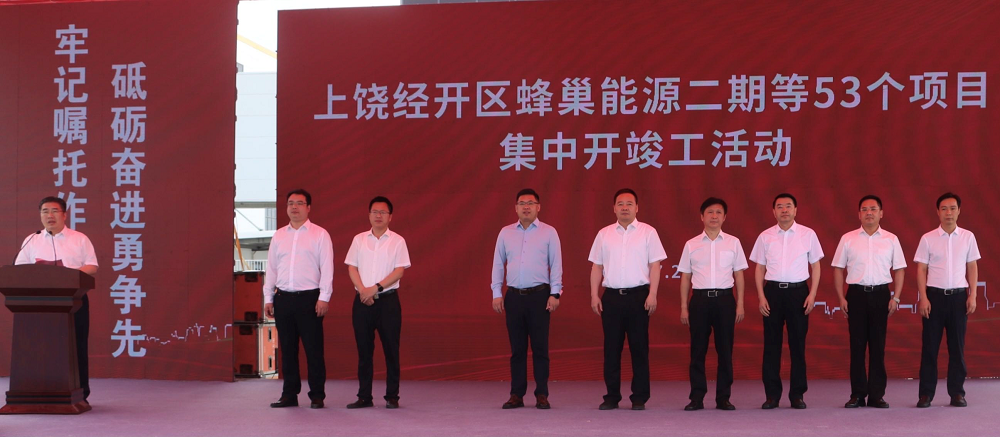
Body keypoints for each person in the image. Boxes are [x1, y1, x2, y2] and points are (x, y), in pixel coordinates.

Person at [589, 188, 666, 411]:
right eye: (620, 204)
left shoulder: (648, 232)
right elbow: (596, 266)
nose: (625, 207)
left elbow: (655, 265)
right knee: (611, 349)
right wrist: (594, 295)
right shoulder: (604, 234)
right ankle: (611, 396)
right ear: (614, 208)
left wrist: (653, 293)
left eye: (629, 204)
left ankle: (639, 397)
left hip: (639, 297)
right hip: (612, 298)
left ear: (637, 208)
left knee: (639, 348)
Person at [15, 196, 98, 403]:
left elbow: (92, 266)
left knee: (76, 346)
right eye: (45, 211)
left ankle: (80, 393)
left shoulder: (79, 238)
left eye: (54, 211)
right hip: (39, 303)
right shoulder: (32, 239)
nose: (49, 215)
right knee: (39, 347)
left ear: (64, 215)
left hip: (74, 301)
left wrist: (69, 275)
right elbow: (19, 268)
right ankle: (39, 391)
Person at [750, 193, 823, 410]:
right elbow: (759, 268)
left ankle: (797, 394)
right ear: (773, 211)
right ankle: (772, 395)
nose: (784, 210)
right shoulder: (765, 236)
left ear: (795, 210)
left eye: (788, 206)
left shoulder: (808, 234)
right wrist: (761, 296)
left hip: (798, 293)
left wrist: (812, 294)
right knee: (771, 345)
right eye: (780, 206)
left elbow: (816, 266)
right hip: (772, 292)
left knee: (797, 345)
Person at [491, 188, 563, 410]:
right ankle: (516, 394)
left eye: (531, 203)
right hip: (514, 296)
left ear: (538, 207)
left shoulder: (549, 232)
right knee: (517, 349)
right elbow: (497, 264)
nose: (526, 207)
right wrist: (496, 293)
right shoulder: (505, 233)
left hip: (540, 296)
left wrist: (555, 293)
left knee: (540, 348)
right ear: (516, 208)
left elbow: (556, 264)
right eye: (522, 203)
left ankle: (542, 394)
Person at [831, 195, 906, 409]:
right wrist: (841, 297)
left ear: (881, 213)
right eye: (864, 209)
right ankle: (857, 394)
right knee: (857, 347)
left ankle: (876, 395)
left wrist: (896, 297)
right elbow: (838, 268)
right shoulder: (848, 238)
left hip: (881, 295)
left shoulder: (891, 239)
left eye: (873, 209)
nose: (869, 213)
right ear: (859, 214)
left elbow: (900, 269)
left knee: (878, 347)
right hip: (856, 295)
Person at [263, 189, 333, 409]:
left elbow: (327, 268)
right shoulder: (278, 236)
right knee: (287, 350)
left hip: (310, 299)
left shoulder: (320, 234)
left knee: (314, 350)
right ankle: (289, 395)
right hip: (283, 298)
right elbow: (271, 269)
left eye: (300, 203)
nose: (294, 207)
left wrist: (324, 297)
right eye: (290, 203)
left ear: (308, 208)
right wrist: (268, 298)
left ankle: (317, 395)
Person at [677, 197, 747, 411]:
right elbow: (685, 277)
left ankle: (723, 397)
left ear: (724, 217)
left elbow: (739, 275)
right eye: (710, 212)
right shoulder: (691, 244)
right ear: (702, 217)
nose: (714, 216)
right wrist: (684, 307)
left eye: (718, 212)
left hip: (725, 300)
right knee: (697, 351)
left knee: (725, 351)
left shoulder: (733, 242)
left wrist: (740, 303)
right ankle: (696, 397)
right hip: (699, 301)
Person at [345, 196, 411, 409]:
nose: (378, 215)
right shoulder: (359, 239)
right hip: (362, 301)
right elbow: (352, 267)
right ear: (369, 215)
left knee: (391, 350)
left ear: (390, 217)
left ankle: (392, 396)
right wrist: (363, 291)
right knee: (364, 352)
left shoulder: (398, 241)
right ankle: (364, 396)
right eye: (375, 212)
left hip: (387, 302)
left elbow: (399, 271)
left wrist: (375, 288)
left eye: (383, 212)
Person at [914, 192, 980, 408]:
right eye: (944, 208)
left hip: (959, 298)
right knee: (930, 348)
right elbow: (921, 269)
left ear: (959, 211)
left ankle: (957, 393)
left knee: (957, 348)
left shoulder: (968, 237)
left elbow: (972, 266)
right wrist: (923, 298)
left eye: (952, 208)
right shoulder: (928, 238)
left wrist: (973, 294)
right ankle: (926, 394)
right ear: (938, 212)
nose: (948, 212)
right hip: (934, 298)